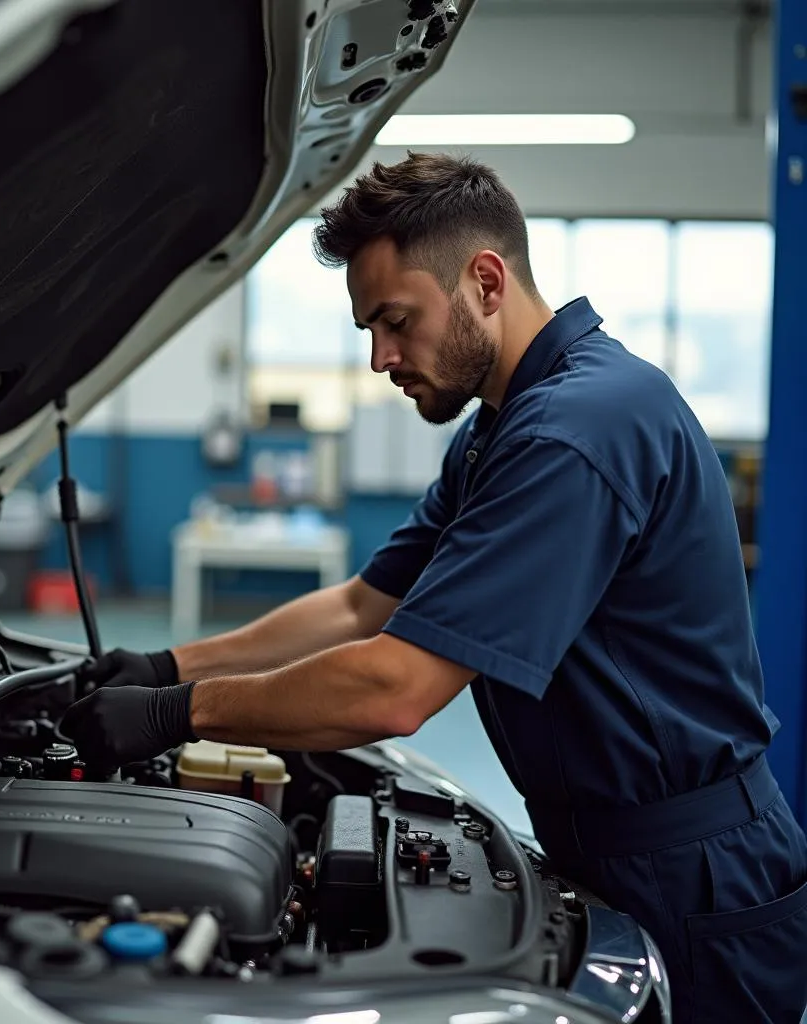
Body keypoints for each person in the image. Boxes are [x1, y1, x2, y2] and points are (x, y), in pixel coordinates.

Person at [62, 153, 807, 1022]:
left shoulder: (577, 431)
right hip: (603, 845)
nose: (380, 357)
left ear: (485, 281)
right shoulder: (500, 431)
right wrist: (162, 663)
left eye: (396, 321)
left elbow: (397, 688)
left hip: (689, 869)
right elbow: (358, 606)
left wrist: (175, 712)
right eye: (367, 330)